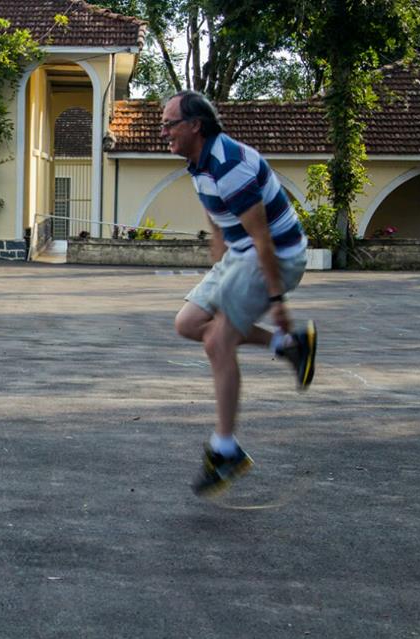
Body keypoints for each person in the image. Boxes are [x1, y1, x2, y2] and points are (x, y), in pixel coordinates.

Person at [161, 90, 318, 496]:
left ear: (196, 125)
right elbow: (217, 219)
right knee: (189, 323)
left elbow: (264, 238)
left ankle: (225, 448)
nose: (164, 133)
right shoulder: (199, 162)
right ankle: (289, 344)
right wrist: (219, 265)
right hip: (242, 253)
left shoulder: (229, 165)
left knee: (218, 340)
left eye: (170, 124)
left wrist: (276, 300)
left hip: (277, 257)